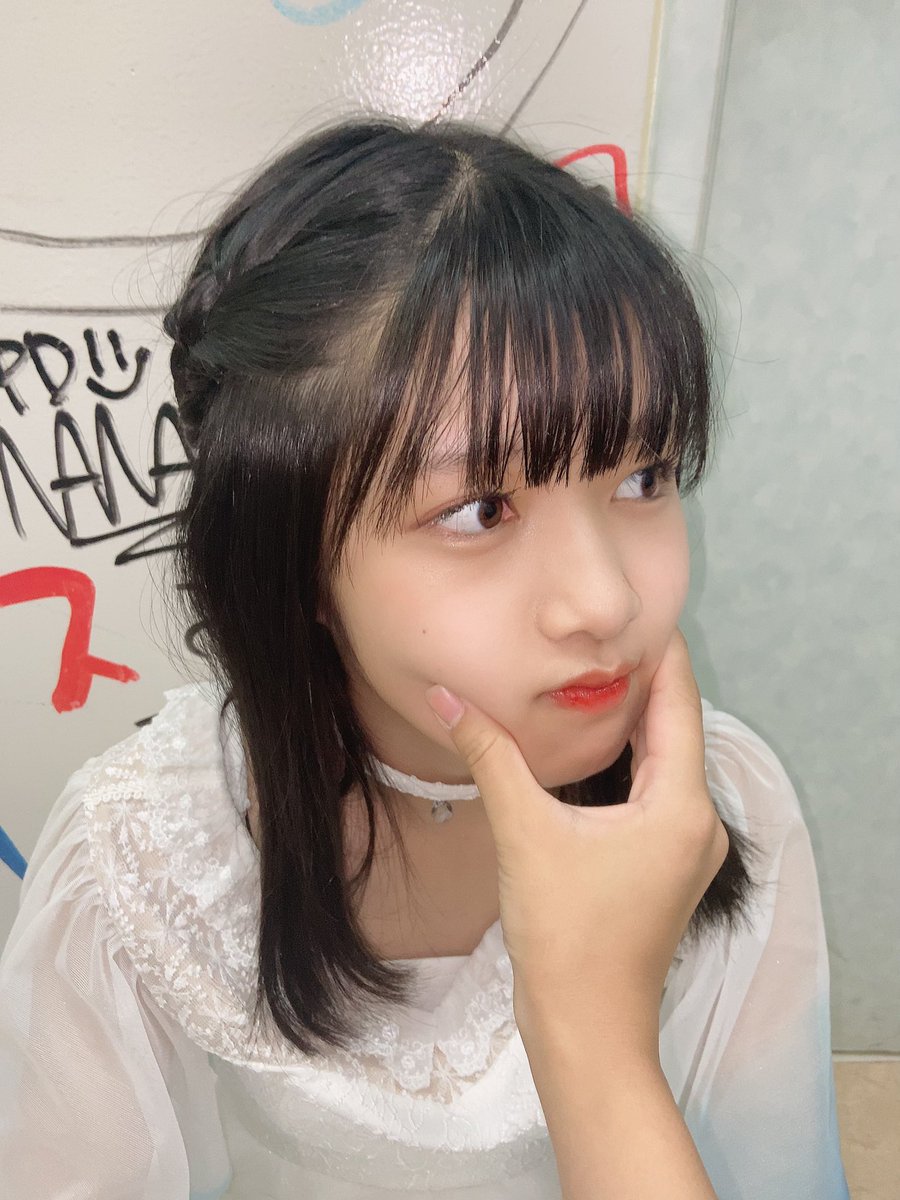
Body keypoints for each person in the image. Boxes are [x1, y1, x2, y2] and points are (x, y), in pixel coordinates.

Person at [0, 116, 849, 1199]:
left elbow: (773, 1163)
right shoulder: (144, 855)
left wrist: (594, 1030)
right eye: (481, 509)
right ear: (296, 562)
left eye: (643, 477)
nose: (608, 601)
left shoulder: (726, 805)